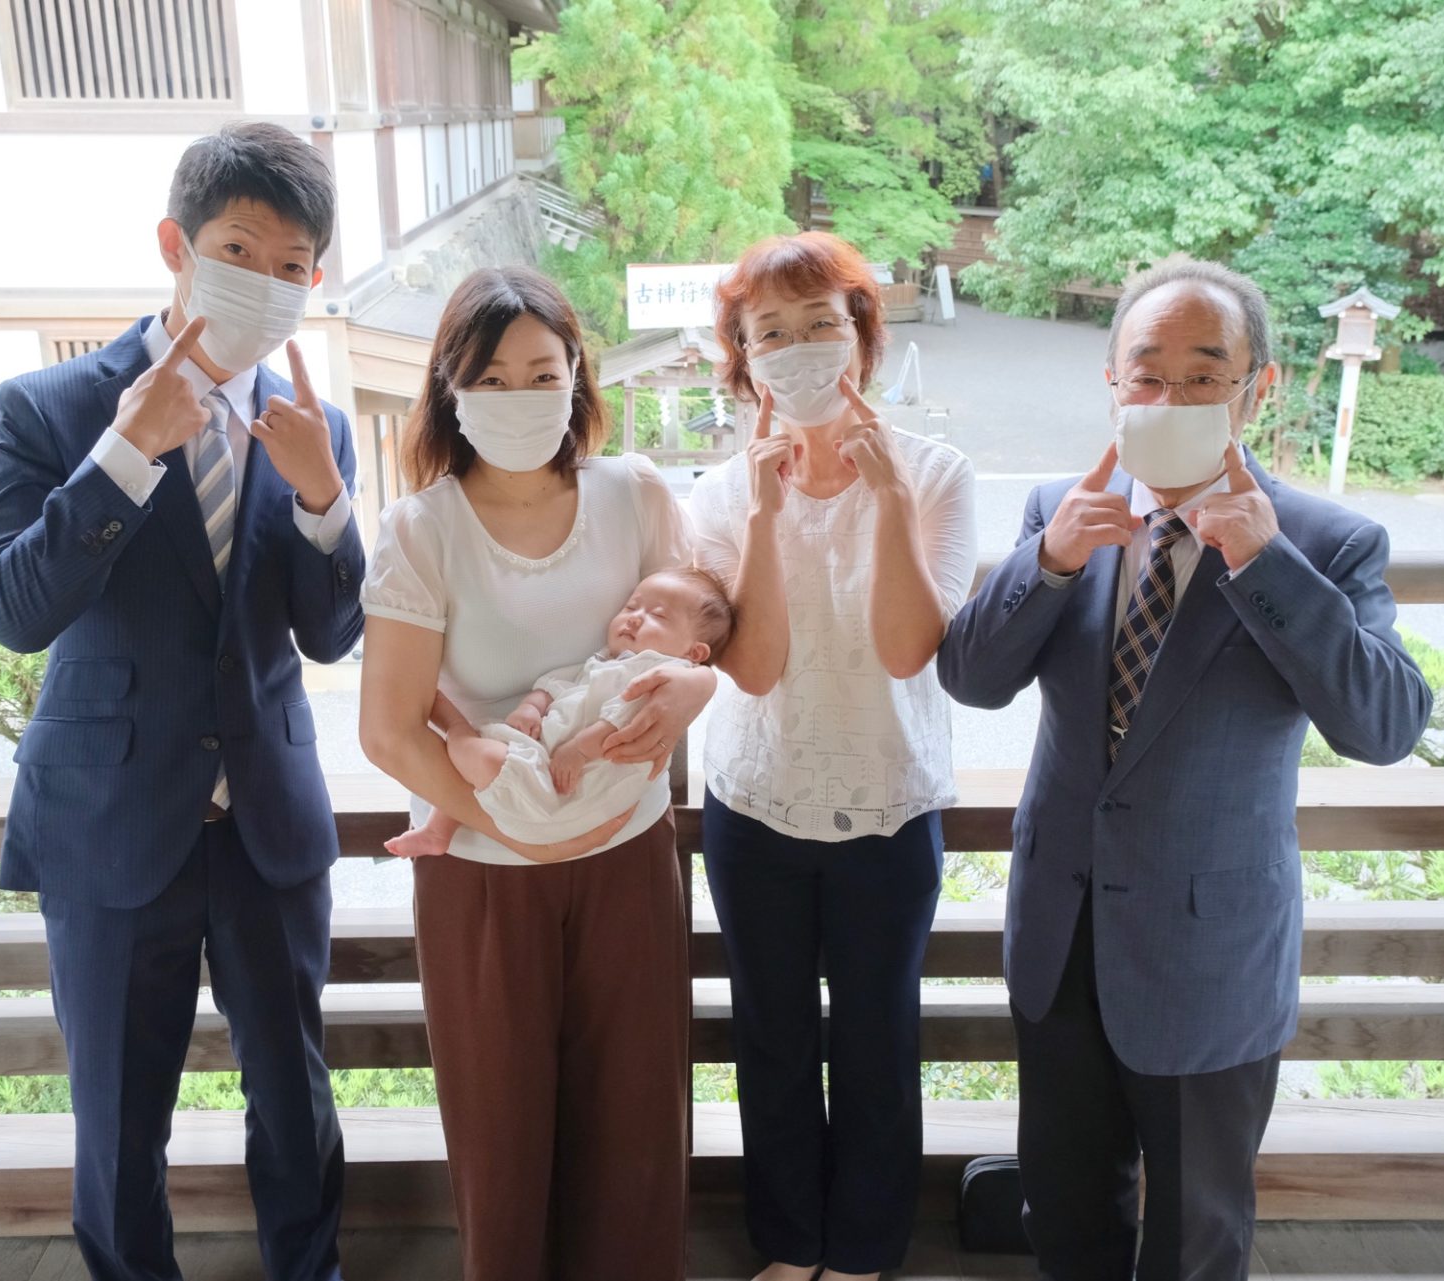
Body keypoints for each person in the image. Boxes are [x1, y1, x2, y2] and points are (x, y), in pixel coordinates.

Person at [938, 260, 1432, 1280]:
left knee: (1196, 1233)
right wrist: (1049, 565)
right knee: (1067, 1209)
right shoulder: (1058, 507)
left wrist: (1266, 565)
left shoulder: (1326, 542)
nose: (1168, 399)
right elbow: (973, 678)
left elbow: (1384, 725)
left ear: (1258, 388)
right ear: (1112, 384)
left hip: (1211, 947)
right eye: (1146, 375)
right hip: (1062, 928)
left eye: (1203, 377)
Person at [0, 123, 364, 1281]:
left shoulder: (316, 423)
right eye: (241, 249)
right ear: (175, 246)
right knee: (119, 1111)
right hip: (109, 817)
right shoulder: (46, 408)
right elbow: (8, 608)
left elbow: (332, 633)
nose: (269, 282)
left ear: (314, 282)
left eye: (294, 266)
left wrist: (331, 499)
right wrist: (128, 452)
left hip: (266, 819)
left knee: (295, 1096)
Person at [356, 266, 717, 1281]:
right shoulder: (422, 529)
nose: (522, 397)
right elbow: (388, 731)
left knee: (636, 1128)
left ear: (577, 380)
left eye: (542, 372)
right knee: (501, 1139)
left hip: (627, 858)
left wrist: (700, 691)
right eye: (494, 377)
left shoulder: (635, 493)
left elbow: (703, 638)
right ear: (451, 389)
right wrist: (514, 827)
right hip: (482, 870)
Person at [686, 231, 979, 1281]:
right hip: (755, 803)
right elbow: (753, 669)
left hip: (889, 808)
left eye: (822, 324)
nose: (800, 347)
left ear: (861, 339)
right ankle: (786, 1243)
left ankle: (861, 1250)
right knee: (768, 1035)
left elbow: (911, 649)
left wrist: (890, 499)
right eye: (773, 332)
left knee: (875, 1037)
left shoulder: (938, 473)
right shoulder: (718, 496)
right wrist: (765, 516)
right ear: (744, 360)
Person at [385, 566, 734, 854]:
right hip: (543, 758)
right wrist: (532, 707)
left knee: (476, 754)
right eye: (631, 607)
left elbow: (627, 721)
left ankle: (453, 726)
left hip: (574, 786)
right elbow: (556, 683)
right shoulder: (605, 659)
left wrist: (579, 750)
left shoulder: (659, 672)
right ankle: (438, 830)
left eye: (658, 616)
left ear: (695, 653)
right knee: (477, 766)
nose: (635, 619)